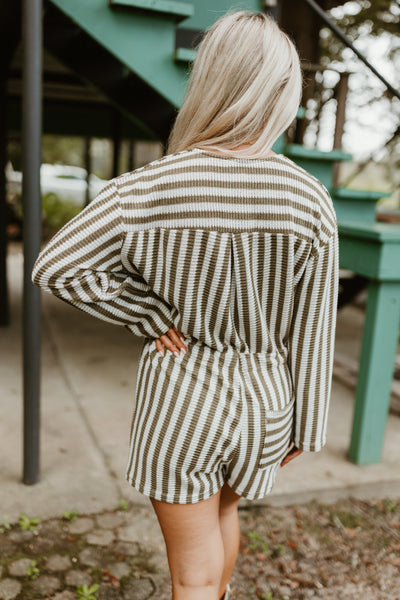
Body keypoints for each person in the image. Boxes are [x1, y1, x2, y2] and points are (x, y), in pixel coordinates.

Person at [31, 9, 339, 600]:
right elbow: (314, 325)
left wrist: (147, 314)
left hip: (182, 401)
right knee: (225, 516)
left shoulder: (147, 187)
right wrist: (309, 418)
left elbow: (56, 266)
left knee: (188, 575)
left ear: (209, 84)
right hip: (264, 401)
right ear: (279, 95)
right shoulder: (310, 198)